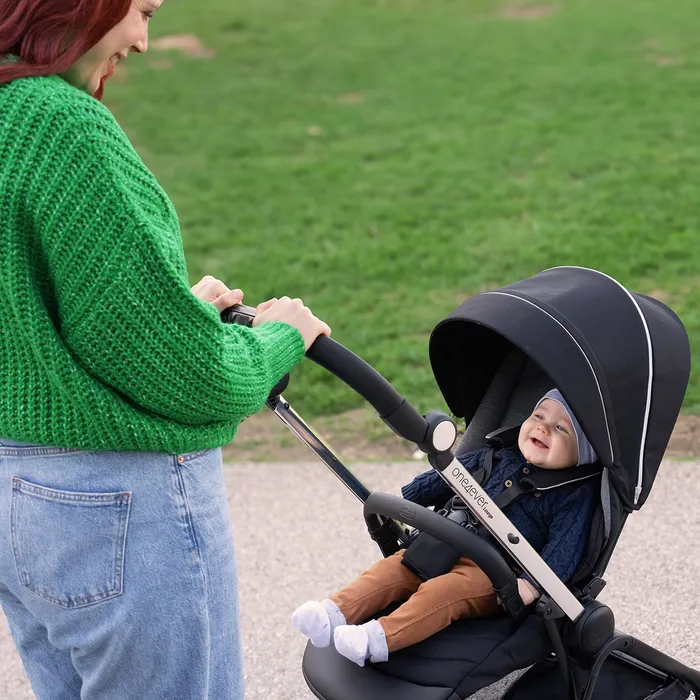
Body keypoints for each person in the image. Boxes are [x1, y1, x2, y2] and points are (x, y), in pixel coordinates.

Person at [0, 1, 330, 698]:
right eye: (143, 11)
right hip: (111, 504)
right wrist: (281, 339)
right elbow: (194, 378)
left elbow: (30, 316)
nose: (144, 42)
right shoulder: (58, 123)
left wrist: (175, 312)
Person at [292, 389, 599, 666]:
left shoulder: (573, 495)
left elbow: (564, 550)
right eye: (539, 416)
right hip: (447, 538)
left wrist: (530, 585)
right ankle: (331, 614)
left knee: (444, 592)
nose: (543, 428)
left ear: (582, 454)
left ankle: (378, 639)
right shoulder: (495, 455)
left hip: (494, 572)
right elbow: (449, 473)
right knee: (392, 570)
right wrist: (407, 500)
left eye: (561, 428)